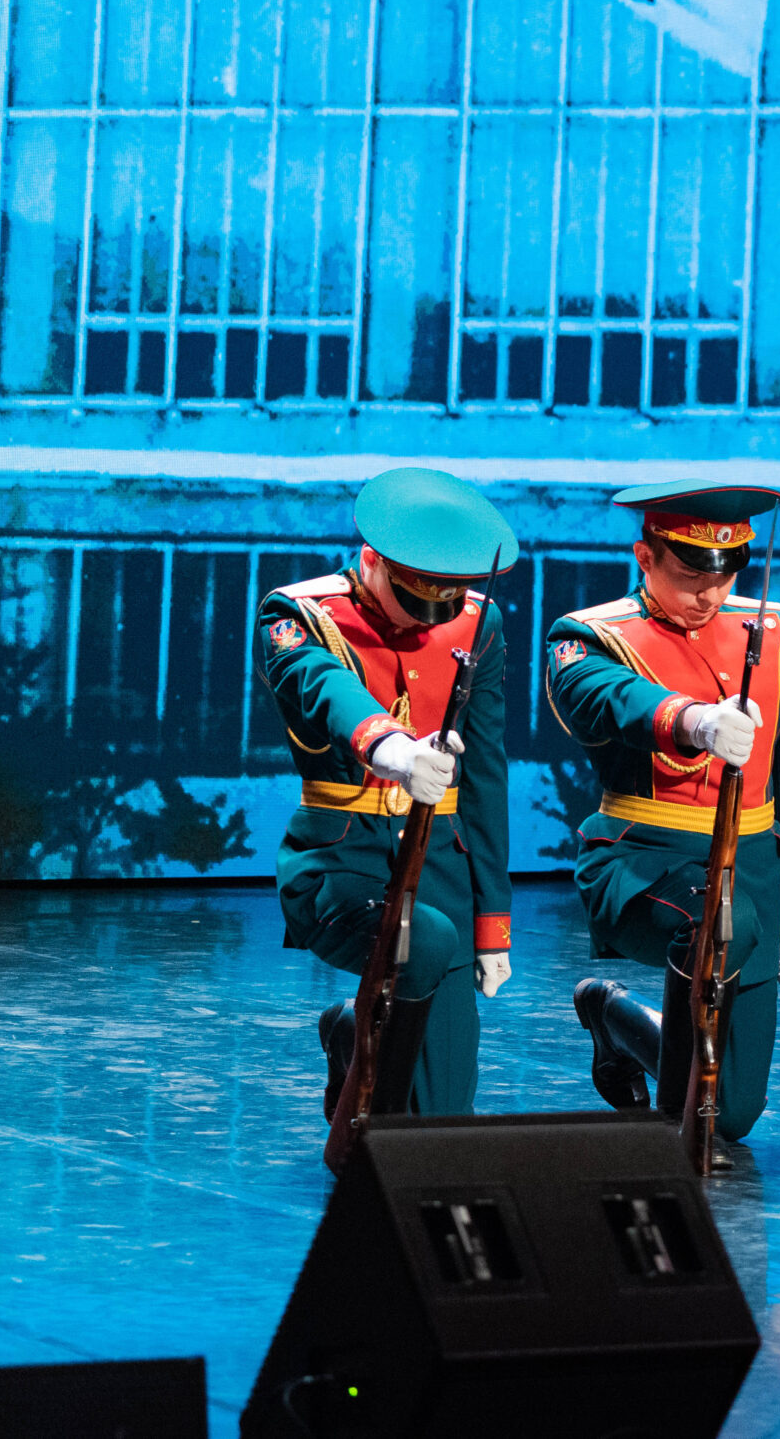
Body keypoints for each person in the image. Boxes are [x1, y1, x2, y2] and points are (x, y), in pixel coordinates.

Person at [554, 482, 780, 1152]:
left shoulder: (773, 630)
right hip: (642, 861)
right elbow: (606, 697)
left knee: (733, 1112)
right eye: (689, 576)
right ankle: (674, 1124)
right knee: (697, 1102)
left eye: (725, 576)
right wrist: (693, 720)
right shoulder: (590, 635)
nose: (709, 594)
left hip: (752, 870)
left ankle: (614, 1017)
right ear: (645, 556)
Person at [258, 467, 516, 1124]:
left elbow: (485, 778)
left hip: (443, 869)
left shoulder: (478, 622)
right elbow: (326, 687)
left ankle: (355, 1032)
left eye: (445, 600)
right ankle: (366, 1089)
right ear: (373, 560)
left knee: (446, 1117)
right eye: (413, 597)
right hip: (342, 862)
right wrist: (395, 750)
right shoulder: (299, 615)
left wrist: (493, 924)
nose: (427, 619)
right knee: (421, 941)